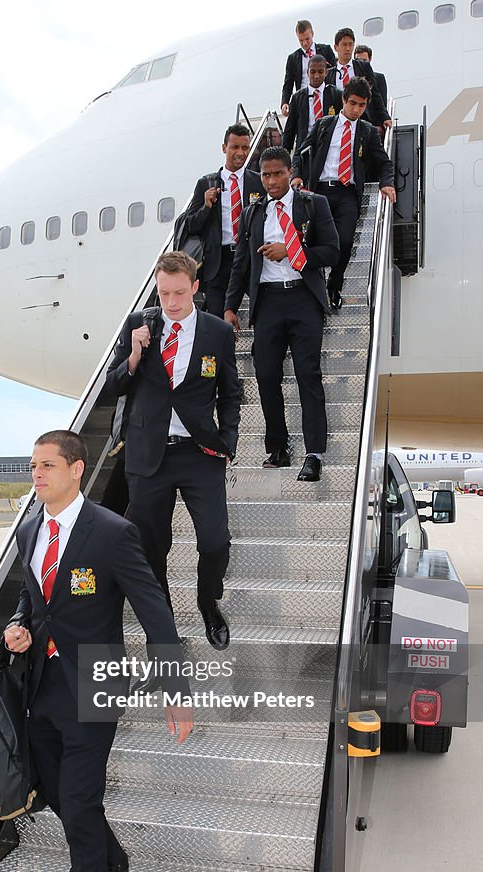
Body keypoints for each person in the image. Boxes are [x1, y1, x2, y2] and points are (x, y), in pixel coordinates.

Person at [4, 429, 193, 872]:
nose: (36, 475)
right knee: (56, 790)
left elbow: (154, 610)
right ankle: (110, 856)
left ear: (77, 470)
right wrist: (20, 626)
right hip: (43, 685)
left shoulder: (113, 533)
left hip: (96, 685)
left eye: (47, 466)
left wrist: (175, 689)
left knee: (80, 805)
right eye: (32, 465)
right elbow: (35, 600)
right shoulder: (29, 528)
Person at [107, 251, 240, 650]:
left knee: (215, 541)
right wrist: (134, 354)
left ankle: (208, 600)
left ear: (195, 287)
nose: (172, 302)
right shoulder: (139, 325)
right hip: (148, 456)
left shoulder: (217, 332)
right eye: (164, 293)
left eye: (180, 292)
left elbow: (231, 393)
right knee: (151, 550)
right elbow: (114, 387)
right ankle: (163, 640)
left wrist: (228, 441)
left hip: (200, 453)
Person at [224, 147, 339, 483]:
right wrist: (230, 306)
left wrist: (292, 251)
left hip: (303, 299)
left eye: (278, 173)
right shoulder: (252, 213)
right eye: (266, 175)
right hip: (269, 303)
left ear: (290, 172)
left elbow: (331, 251)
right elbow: (241, 264)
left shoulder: (313, 204)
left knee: (308, 374)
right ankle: (278, 447)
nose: (272, 180)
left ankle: (314, 454)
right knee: (266, 376)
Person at [291, 77, 396, 309]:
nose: (356, 109)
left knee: (345, 241)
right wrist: (296, 175)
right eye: (353, 103)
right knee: (312, 241)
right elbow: (300, 152)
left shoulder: (367, 132)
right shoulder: (324, 125)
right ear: (343, 100)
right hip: (319, 193)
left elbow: (384, 163)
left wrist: (386, 183)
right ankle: (311, 287)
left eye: (361, 105)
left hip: (347, 193)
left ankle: (334, 285)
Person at [183, 124, 262, 317]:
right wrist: (206, 207)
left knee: (262, 313)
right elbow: (191, 225)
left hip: (250, 256)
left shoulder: (259, 181)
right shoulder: (206, 183)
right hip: (219, 261)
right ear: (224, 148)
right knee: (217, 321)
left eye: (245, 148)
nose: (240, 153)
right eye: (235, 147)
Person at [325, 27, 391, 129]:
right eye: (344, 44)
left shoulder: (364, 67)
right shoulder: (329, 75)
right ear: (336, 47)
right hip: (338, 124)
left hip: (363, 121)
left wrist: (385, 117)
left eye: (350, 44)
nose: (348, 48)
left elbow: (375, 94)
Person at [282, 55, 343, 155]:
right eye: (312, 72)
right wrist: (285, 156)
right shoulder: (298, 97)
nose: (316, 76)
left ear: (326, 72)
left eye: (320, 72)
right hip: (305, 150)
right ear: (307, 73)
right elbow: (290, 131)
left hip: (329, 149)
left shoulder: (335, 94)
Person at [280, 19, 335, 115]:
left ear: (312, 34)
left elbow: (334, 73)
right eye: (301, 40)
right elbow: (288, 83)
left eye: (307, 39)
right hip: (304, 100)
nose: (305, 43)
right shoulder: (293, 58)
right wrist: (284, 102)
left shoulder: (326, 50)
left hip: (324, 97)